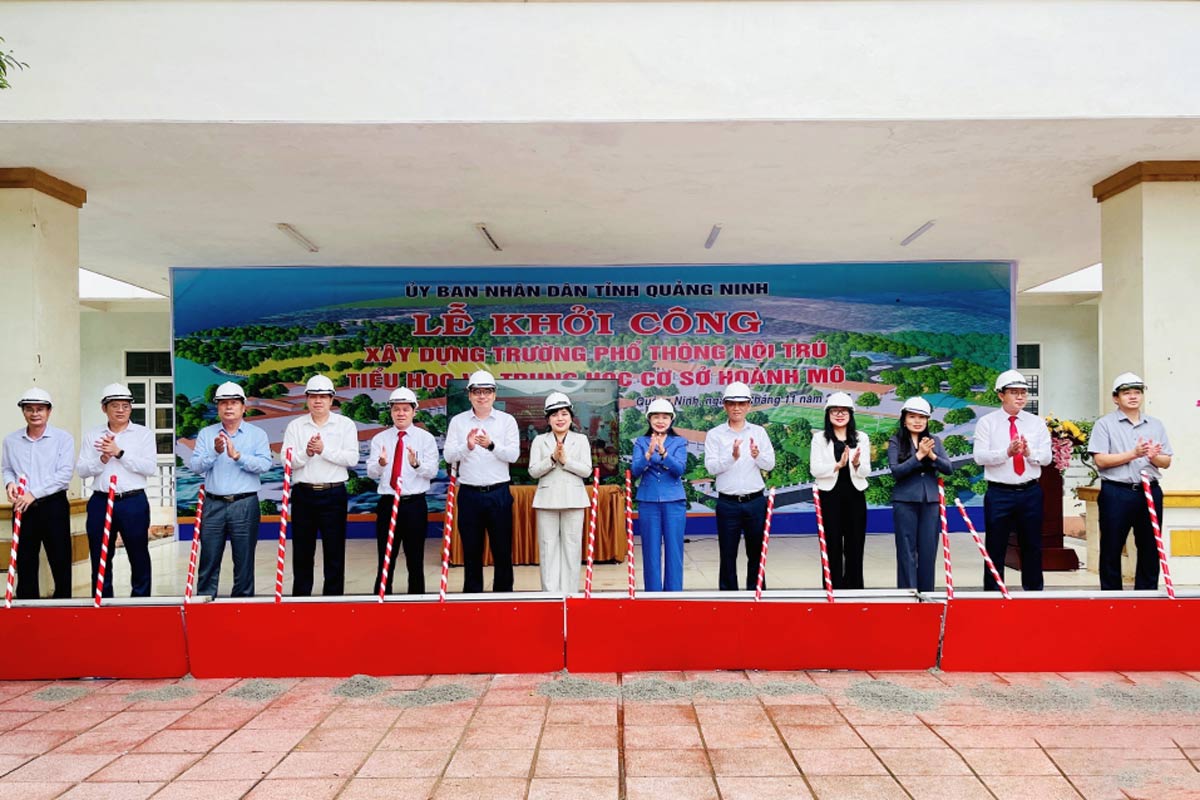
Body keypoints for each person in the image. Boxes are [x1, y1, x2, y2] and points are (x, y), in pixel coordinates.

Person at [1088, 372, 1173, 591]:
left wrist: (1152, 456)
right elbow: (1101, 460)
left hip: (1149, 491)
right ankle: (1112, 598)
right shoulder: (1104, 424)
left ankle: (1147, 596)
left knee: (1150, 546)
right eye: (1127, 393)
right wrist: (1133, 454)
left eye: (1137, 392)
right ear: (1116, 398)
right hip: (1117, 492)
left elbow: (1166, 461)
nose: (1133, 397)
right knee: (1111, 546)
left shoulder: (1155, 424)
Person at [188, 382, 272, 597]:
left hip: (244, 503)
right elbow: (196, 467)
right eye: (223, 403)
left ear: (244, 407)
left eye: (233, 403)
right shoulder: (207, 434)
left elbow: (265, 465)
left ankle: (242, 605)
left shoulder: (257, 434)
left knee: (244, 559)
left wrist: (239, 456)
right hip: (213, 503)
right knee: (208, 558)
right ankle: (204, 601)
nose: (228, 407)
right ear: (217, 408)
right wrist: (215, 452)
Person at [972, 369, 1051, 592]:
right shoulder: (987, 423)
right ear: (1001, 395)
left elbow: (1046, 458)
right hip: (999, 493)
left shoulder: (1037, 423)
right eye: (1014, 392)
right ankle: (993, 594)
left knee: (1033, 545)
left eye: (1024, 392)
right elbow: (980, 456)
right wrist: (1006, 452)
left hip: (1030, 491)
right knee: (995, 546)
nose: (1020, 397)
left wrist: (1028, 453)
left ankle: (1035, 593)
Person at [76, 383, 157, 597]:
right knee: (100, 555)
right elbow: (82, 471)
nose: (120, 410)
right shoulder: (92, 435)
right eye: (114, 405)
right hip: (101, 502)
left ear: (131, 408)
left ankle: (140, 603)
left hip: (133, 502)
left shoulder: (143, 434)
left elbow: (149, 468)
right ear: (104, 408)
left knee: (138, 553)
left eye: (125, 405)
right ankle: (102, 602)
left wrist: (120, 453)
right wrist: (102, 459)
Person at [281, 374, 359, 596]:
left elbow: (351, 459)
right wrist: (306, 452)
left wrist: (324, 450)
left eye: (323, 396)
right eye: (314, 396)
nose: (318, 401)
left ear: (332, 399)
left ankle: (333, 600)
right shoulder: (295, 426)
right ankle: (300, 600)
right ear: (306, 399)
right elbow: (286, 461)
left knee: (334, 551)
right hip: (303, 495)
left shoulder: (345, 425)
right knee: (302, 552)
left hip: (333, 494)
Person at [443, 370, 519, 593]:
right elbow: (448, 456)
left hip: (499, 494)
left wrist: (491, 445)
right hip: (469, 494)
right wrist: (466, 446)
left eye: (487, 392)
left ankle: (504, 597)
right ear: (469, 395)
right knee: (471, 551)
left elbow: (513, 456)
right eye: (477, 392)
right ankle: (472, 598)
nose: (482, 397)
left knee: (502, 550)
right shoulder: (458, 422)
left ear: (494, 395)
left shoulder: (507, 421)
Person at [366, 386, 439, 595]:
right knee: (385, 558)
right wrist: (380, 463)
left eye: (405, 409)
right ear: (390, 411)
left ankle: (417, 603)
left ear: (414, 411)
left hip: (414, 504)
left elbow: (432, 471)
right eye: (396, 409)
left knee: (415, 559)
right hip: (388, 503)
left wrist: (416, 464)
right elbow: (371, 473)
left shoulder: (426, 439)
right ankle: (380, 601)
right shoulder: (380, 439)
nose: (400, 413)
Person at [2, 388, 74, 599]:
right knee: (25, 561)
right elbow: (7, 469)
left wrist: (34, 493)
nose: (35, 413)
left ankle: (64, 608)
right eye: (29, 409)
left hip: (54, 505)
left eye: (40, 409)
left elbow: (64, 474)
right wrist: (10, 485)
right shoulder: (11, 441)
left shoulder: (63, 439)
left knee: (60, 560)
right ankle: (27, 609)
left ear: (49, 411)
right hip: (23, 507)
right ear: (23, 412)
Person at [704, 381, 776, 590]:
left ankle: (758, 596)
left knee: (757, 553)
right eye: (732, 403)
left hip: (755, 501)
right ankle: (728, 598)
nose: (737, 408)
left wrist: (757, 455)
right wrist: (732, 457)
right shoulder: (715, 434)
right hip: (728, 504)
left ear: (749, 406)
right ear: (725, 406)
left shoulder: (759, 433)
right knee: (727, 554)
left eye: (742, 403)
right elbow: (711, 468)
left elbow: (769, 463)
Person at [528, 392, 593, 594]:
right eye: (554, 414)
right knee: (548, 549)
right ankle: (550, 595)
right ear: (548, 419)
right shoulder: (539, 441)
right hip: (546, 501)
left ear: (571, 417)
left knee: (572, 549)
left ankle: (570, 594)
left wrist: (565, 461)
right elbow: (533, 471)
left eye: (564, 413)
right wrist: (552, 459)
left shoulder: (581, 439)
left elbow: (587, 470)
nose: (560, 418)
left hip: (574, 499)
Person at [887, 396, 952, 592]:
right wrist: (918, 456)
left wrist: (931, 455)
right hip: (905, 500)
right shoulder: (896, 440)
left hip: (930, 501)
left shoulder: (935, 441)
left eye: (922, 417)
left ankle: (926, 592)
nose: (917, 421)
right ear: (904, 419)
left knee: (928, 550)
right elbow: (896, 471)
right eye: (912, 416)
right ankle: (907, 593)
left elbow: (948, 468)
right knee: (907, 550)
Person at [810, 392, 872, 590]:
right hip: (829, 497)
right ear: (828, 414)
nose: (839, 414)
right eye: (835, 411)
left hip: (855, 497)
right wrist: (837, 465)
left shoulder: (861, 438)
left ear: (850, 414)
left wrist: (855, 464)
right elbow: (815, 469)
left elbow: (866, 471)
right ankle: (832, 590)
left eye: (844, 411)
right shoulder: (820, 439)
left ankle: (854, 591)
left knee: (855, 546)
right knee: (831, 546)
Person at [631, 397, 688, 591]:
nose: (660, 421)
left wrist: (664, 454)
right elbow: (635, 471)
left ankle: (674, 594)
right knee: (650, 550)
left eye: (665, 417)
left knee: (674, 549)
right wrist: (647, 455)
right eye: (656, 417)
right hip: (648, 501)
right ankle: (652, 594)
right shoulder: (641, 441)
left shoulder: (679, 442)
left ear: (672, 420)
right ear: (649, 419)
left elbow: (679, 469)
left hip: (674, 501)